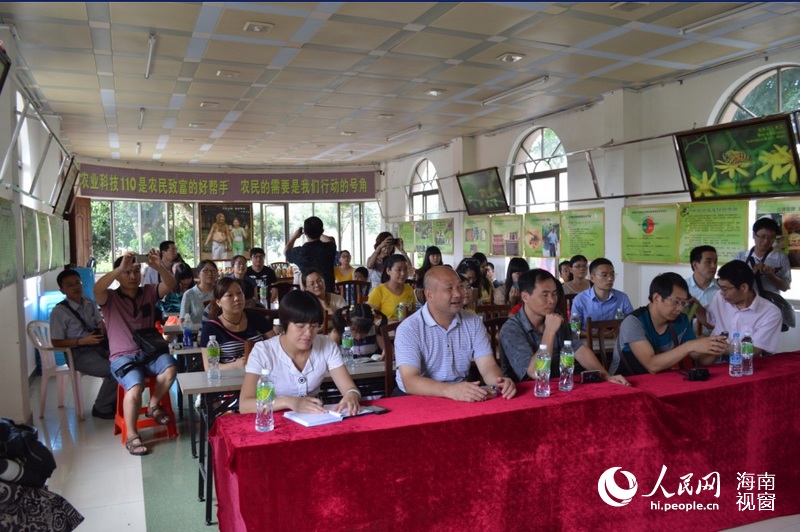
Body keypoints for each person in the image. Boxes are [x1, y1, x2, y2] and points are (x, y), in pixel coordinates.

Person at [94, 251, 177, 456]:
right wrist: (119, 268)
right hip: (123, 356)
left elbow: (171, 285)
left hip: (150, 352)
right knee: (136, 386)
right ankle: (132, 435)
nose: (132, 276)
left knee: (170, 368)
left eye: (136, 271)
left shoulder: (148, 292)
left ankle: (153, 405)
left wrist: (159, 268)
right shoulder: (109, 298)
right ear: (119, 274)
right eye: (127, 272)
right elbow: (97, 288)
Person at [393, 266, 516, 401]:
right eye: (449, 289)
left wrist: (500, 382)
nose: (458, 294)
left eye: (460, 287)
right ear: (429, 295)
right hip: (416, 397)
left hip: (459, 394)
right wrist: (450, 390)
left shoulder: (473, 321)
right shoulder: (409, 328)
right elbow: (410, 381)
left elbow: (488, 366)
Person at [239, 290, 361, 415]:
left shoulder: (326, 345)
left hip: (314, 418)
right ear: (285, 324)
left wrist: (352, 395)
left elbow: (349, 388)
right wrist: (288, 402)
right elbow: (244, 405)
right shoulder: (263, 351)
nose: (308, 333)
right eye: (300, 326)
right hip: (274, 421)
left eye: (314, 326)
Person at [499, 269, 629, 385]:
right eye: (545, 295)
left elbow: (578, 349)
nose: (552, 300)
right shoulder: (511, 329)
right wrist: (549, 331)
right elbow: (536, 373)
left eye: (554, 294)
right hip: (527, 392)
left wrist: (606, 376)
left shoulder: (555, 317)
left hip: (559, 385)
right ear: (525, 297)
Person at [613, 272, 728, 376]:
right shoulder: (633, 322)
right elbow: (652, 365)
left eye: (683, 303)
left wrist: (716, 348)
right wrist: (690, 345)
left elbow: (701, 359)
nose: (680, 308)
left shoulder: (681, 320)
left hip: (659, 382)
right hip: (626, 383)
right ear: (656, 298)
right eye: (676, 302)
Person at [49, 269, 117, 419]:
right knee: (114, 371)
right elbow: (55, 342)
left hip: (99, 346)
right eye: (69, 285)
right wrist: (82, 341)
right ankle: (101, 407)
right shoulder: (59, 312)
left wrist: (102, 325)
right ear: (62, 290)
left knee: (124, 363)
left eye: (77, 282)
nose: (76, 287)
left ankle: (114, 401)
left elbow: (98, 320)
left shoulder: (88, 301)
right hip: (79, 353)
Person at [696, 260, 782, 356]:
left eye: (725, 288)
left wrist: (715, 346)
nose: (721, 292)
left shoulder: (770, 313)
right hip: (713, 359)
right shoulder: (720, 297)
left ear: (743, 288)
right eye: (720, 287)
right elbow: (710, 323)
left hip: (745, 363)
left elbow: (754, 350)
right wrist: (696, 306)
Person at [199, 278, 273, 371]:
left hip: (262, 377)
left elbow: (276, 348)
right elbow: (210, 367)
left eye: (239, 293)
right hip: (228, 380)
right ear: (218, 302)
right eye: (229, 295)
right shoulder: (211, 328)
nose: (237, 298)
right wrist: (237, 365)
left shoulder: (256, 318)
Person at [571, 258, 634, 330]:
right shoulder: (580, 300)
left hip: (616, 339)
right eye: (604, 275)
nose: (610, 278)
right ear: (592, 278)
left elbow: (632, 323)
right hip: (588, 339)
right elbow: (575, 330)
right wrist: (595, 335)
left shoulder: (622, 298)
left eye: (612, 275)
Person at [734, 217, 791, 295]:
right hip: (746, 302)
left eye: (771, 238)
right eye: (763, 236)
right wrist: (752, 272)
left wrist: (771, 275)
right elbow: (733, 283)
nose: (766, 241)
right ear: (754, 235)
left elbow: (785, 287)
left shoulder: (781, 257)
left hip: (770, 303)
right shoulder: (740, 256)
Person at [285, 216, 338, 294]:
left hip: (309, 297)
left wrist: (295, 236)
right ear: (322, 231)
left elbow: (286, 252)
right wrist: (319, 232)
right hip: (328, 294)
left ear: (305, 232)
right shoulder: (330, 247)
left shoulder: (300, 252)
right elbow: (329, 240)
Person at [367, 254, 416, 321]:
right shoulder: (379, 291)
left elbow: (413, 313)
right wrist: (388, 323)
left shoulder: (409, 289)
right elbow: (371, 318)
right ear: (388, 271)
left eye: (405, 269)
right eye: (398, 270)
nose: (403, 273)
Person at [684, 245, 720, 335]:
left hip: (717, 341)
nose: (713, 266)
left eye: (715, 262)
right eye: (708, 262)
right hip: (688, 341)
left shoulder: (722, 290)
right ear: (695, 265)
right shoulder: (682, 288)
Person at [180, 259, 218, 324]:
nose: (210, 273)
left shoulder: (220, 292)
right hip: (195, 332)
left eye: (213, 270)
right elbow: (182, 320)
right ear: (198, 274)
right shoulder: (189, 294)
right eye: (205, 270)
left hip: (216, 332)